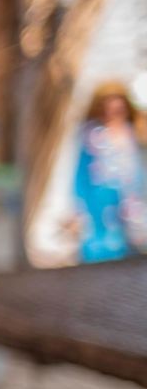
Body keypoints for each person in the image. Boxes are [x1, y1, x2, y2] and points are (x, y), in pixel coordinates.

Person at [72, 81, 147, 262]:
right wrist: (79, 209)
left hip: (132, 205)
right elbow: (80, 176)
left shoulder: (134, 134)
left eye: (118, 110)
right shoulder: (92, 136)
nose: (113, 115)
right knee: (102, 253)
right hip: (100, 205)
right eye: (107, 110)